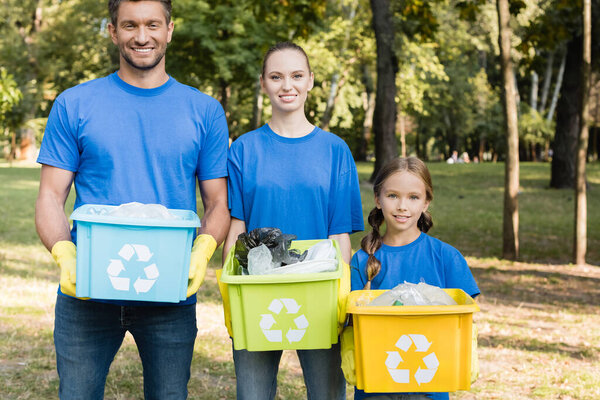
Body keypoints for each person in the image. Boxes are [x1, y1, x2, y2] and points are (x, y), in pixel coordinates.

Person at [34, 1, 230, 398]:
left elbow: (217, 203)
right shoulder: (74, 104)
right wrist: (64, 253)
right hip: (87, 291)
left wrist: (202, 251)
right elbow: (51, 196)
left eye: (152, 25)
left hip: (169, 292)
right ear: (112, 31)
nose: (142, 37)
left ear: (169, 30)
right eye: (130, 25)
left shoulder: (204, 110)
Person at [223, 41, 364, 400]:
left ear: (311, 81)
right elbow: (237, 227)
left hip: (318, 288)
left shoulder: (335, 151)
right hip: (257, 288)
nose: (287, 85)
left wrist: (341, 296)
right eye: (276, 76)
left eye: (296, 75)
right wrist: (229, 292)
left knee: (328, 394)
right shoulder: (243, 149)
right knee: (252, 394)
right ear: (263, 84)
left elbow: (339, 234)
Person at [346, 156, 479, 400]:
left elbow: (465, 324)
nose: (402, 206)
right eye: (392, 196)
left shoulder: (446, 257)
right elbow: (351, 326)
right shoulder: (362, 261)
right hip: (376, 388)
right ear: (377, 199)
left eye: (413, 197)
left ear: (426, 202)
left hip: (430, 388)